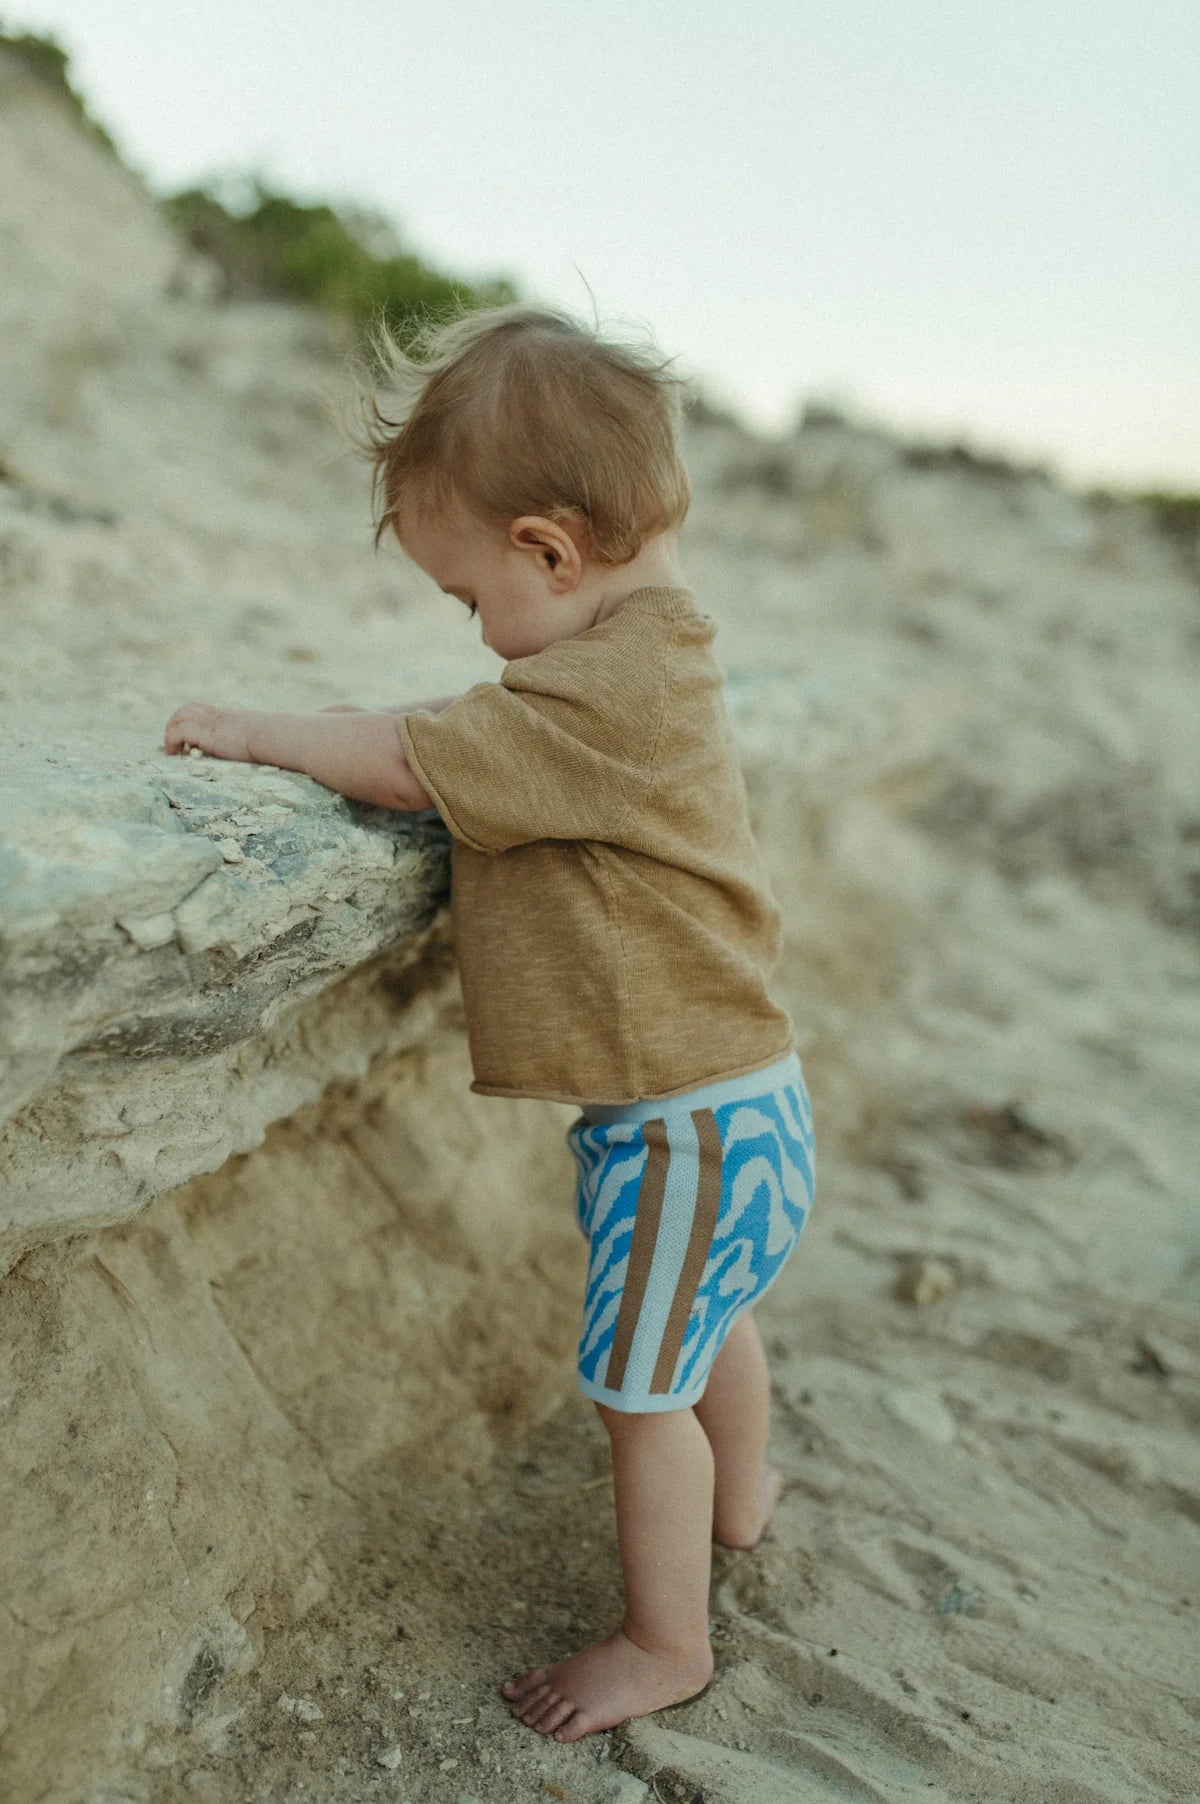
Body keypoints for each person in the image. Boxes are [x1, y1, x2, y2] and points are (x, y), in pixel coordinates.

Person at [163, 300, 817, 1745]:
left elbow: (414, 758)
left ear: (548, 551)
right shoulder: (648, 654)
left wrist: (260, 727)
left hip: (680, 1128)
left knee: (640, 1388)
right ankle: (747, 1499)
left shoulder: (600, 690)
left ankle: (666, 1642)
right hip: (743, 1107)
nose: (476, 634)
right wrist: (390, 709)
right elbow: (458, 727)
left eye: (469, 601)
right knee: (713, 1326)